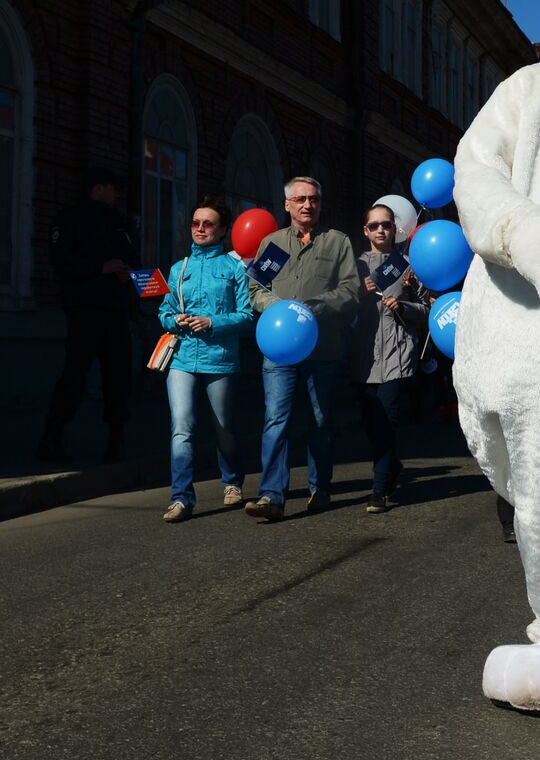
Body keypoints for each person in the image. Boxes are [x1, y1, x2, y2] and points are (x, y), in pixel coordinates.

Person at [245, 177, 360, 521]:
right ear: (287, 206)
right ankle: (271, 496)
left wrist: (314, 308)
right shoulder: (274, 244)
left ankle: (319, 487)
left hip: (321, 348)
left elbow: (351, 291)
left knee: (321, 420)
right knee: (275, 420)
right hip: (278, 350)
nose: (307, 205)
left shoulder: (336, 242)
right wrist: (277, 308)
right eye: (300, 200)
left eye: (313, 199)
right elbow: (256, 288)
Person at [158, 197, 256, 522]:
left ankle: (232, 479)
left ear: (223, 229)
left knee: (223, 427)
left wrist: (213, 323)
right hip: (182, 357)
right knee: (181, 426)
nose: (200, 229)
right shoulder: (179, 267)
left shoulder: (233, 269)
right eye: (196, 223)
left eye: (208, 223)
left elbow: (246, 315)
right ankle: (181, 498)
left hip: (222, 358)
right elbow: (164, 311)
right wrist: (176, 321)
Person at [38, 167, 139, 463]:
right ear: (98, 188)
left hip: (117, 311)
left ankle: (116, 441)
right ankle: (51, 437)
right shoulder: (70, 219)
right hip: (84, 311)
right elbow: (60, 260)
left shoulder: (120, 222)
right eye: (112, 188)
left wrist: (128, 273)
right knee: (74, 377)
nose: (117, 194)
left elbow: (132, 259)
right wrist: (99, 268)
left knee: (118, 378)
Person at [353, 204, 429, 513]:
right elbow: (338, 307)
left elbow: (426, 308)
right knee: (372, 425)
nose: (380, 230)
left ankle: (378, 490)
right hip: (363, 356)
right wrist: (357, 292)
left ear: (395, 229)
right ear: (365, 231)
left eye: (386, 225)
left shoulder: (410, 264)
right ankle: (392, 465)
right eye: (374, 226)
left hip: (399, 352)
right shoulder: (354, 266)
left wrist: (404, 307)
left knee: (387, 419)